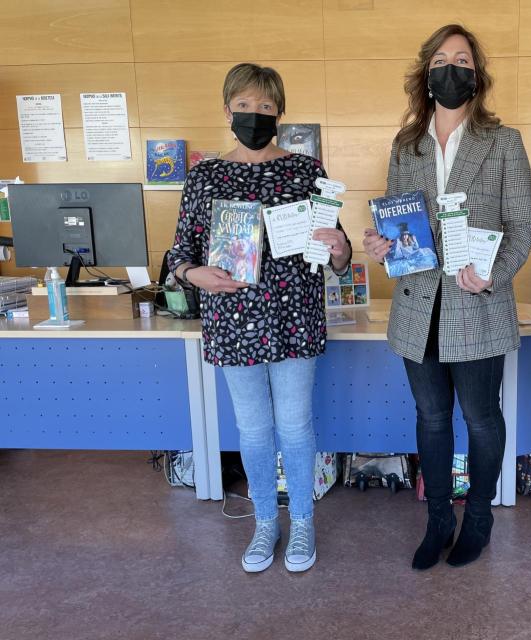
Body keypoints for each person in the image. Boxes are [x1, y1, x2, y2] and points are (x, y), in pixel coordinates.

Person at [364, 24, 531, 570]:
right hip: (419, 307)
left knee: (482, 419)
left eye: (462, 59)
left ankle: (479, 516)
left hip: (478, 305)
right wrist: (380, 243)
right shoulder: (406, 144)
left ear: (477, 75)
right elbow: (398, 224)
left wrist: (495, 275)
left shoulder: (503, 141)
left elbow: (522, 224)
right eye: (441, 59)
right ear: (426, 73)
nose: (451, 68)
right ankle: (438, 517)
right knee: (432, 418)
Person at [168, 63, 351, 574]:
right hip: (232, 320)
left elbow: (336, 255)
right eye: (245, 106)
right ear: (227, 110)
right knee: (253, 430)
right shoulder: (204, 176)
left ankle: (304, 524)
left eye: (266, 107)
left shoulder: (305, 172)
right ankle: (265, 522)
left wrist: (339, 248)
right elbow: (179, 254)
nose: (255, 115)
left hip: (294, 318)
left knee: (294, 427)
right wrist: (194, 273)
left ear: (280, 113)